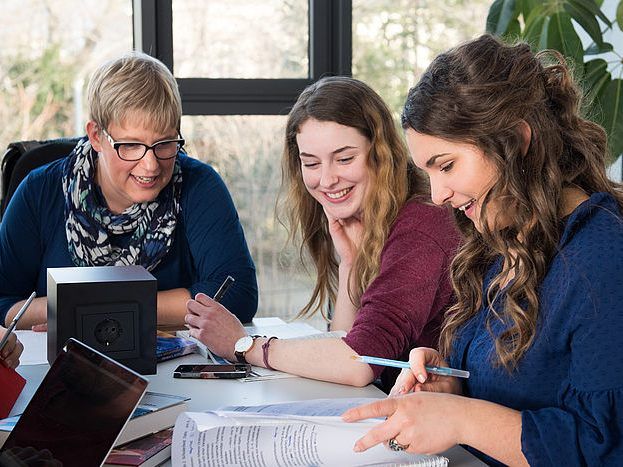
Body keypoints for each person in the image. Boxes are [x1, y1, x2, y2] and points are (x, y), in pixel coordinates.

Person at [342, 34, 623, 466]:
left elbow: (606, 447)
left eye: (447, 165)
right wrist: (449, 382)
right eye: (427, 172)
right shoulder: (504, 235)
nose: (437, 195)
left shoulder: (604, 260)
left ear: (516, 140)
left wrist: (462, 419)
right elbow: (514, 390)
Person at [184, 76, 460, 390]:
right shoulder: (370, 222)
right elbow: (344, 339)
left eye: (344, 159)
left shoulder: (422, 225)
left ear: (381, 153)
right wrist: (351, 265)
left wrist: (243, 344)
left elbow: (358, 362)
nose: (326, 180)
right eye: (311, 163)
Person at [0, 52, 258, 330]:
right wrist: (142, 306)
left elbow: (236, 295)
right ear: (97, 136)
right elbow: (3, 302)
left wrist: (85, 309)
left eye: (165, 143)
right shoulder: (39, 190)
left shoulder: (200, 184)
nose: (150, 165)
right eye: (131, 146)